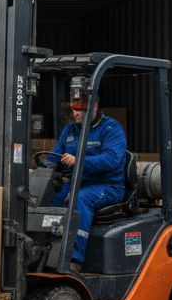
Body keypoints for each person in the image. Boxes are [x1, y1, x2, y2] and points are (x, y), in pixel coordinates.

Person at [47, 90, 127, 267]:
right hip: (78, 182)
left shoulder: (111, 129)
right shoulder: (70, 129)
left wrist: (79, 161)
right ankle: (44, 251)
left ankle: (74, 258)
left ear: (94, 107)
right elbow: (55, 156)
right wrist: (40, 169)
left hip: (108, 186)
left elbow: (111, 160)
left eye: (80, 109)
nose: (75, 113)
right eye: (73, 109)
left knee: (80, 199)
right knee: (51, 200)